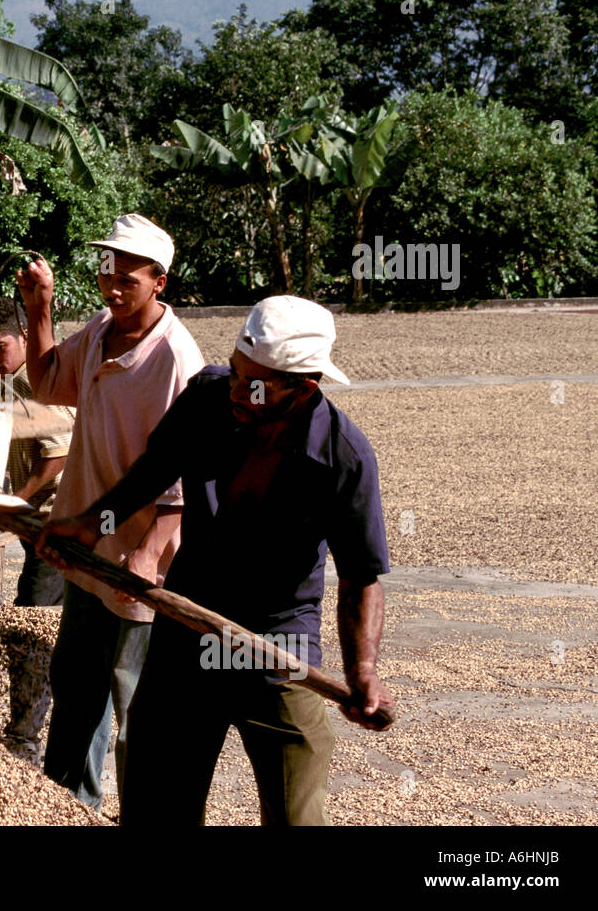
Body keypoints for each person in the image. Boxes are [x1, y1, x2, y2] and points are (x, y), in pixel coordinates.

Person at [40, 295, 395, 825]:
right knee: (155, 799)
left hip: (278, 641)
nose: (234, 388)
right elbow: (153, 470)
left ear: (303, 389)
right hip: (188, 620)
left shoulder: (341, 458)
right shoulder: (209, 395)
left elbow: (361, 576)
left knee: (298, 812)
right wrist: (92, 523)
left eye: (253, 384)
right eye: (234, 370)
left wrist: (362, 668)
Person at [16, 214, 205, 810]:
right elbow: (47, 383)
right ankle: (71, 808)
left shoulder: (176, 358)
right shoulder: (100, 331)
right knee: (76, 692)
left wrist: (149, 556)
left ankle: (147, 816)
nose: (114, 287)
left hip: (138, 561)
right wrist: (39, 305)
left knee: (137, 706)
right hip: (87, 544)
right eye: (108, 274)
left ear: (161, 283)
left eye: (130, 278)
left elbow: (184, 474)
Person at [0, 296, 74, 763]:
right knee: (57, 631)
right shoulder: (10, 384)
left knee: (30, 625)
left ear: (25, 338)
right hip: (39, 528)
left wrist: (17, 500)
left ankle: (23, 740)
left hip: (60, 529)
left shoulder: (37, 383)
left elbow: (57, 455)